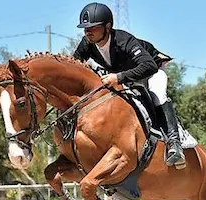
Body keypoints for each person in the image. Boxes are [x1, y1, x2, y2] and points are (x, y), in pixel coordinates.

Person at [72, 2, 185, 168]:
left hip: (150, 71)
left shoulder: (123, 40)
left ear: (107, 27)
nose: (88, 31)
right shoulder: (87, 43)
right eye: (85, 28)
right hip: (125, 76)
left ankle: (175, 144)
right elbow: (73, 65)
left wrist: (118, 77)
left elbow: (149, 66)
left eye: (93, 27)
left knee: (157, 94)